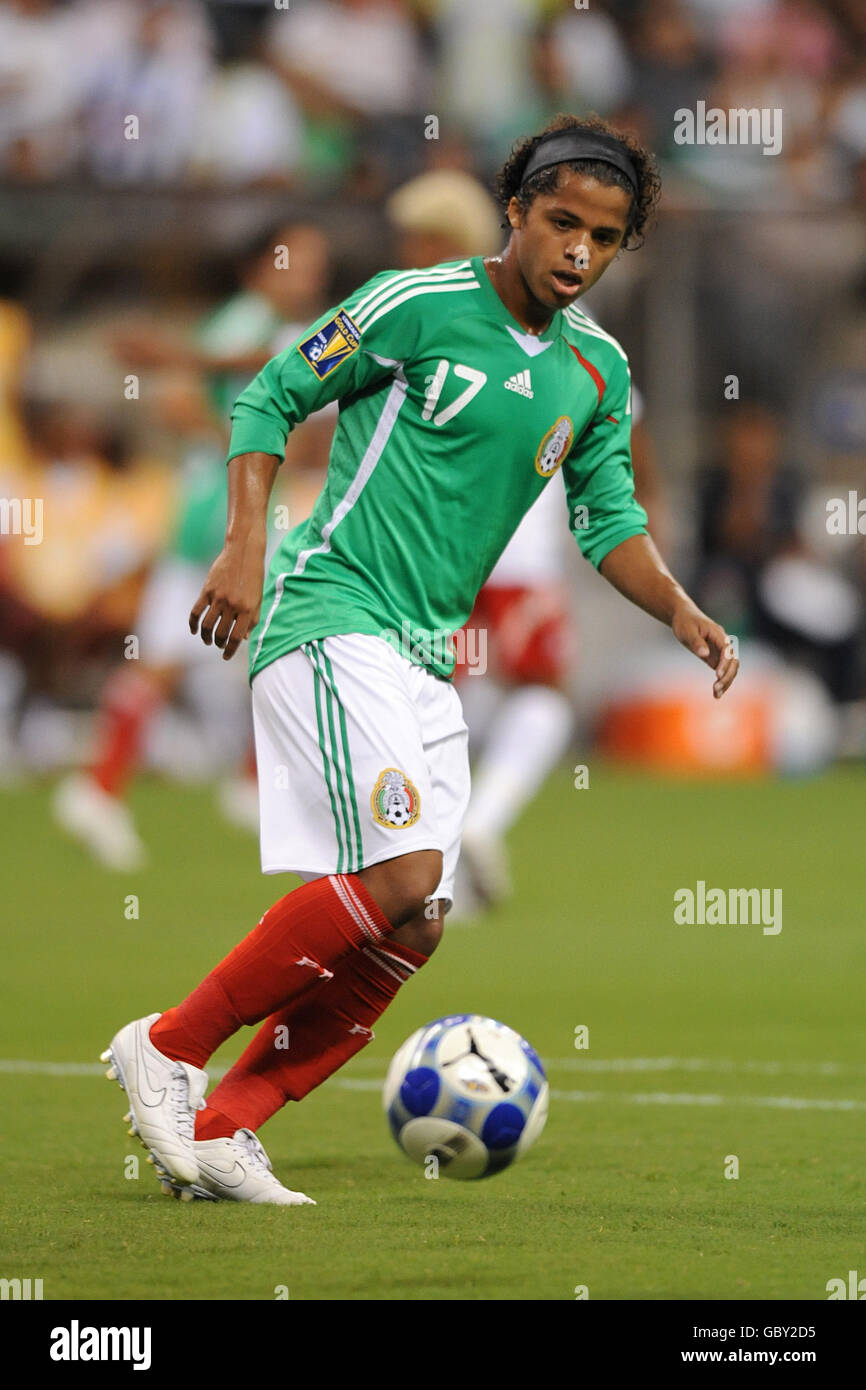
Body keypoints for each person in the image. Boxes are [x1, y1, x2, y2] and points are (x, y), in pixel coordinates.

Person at [101, 114, 739, 1206]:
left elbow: (605, 519)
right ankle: (167, 1043)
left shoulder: (593, 366)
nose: (578, 251)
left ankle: (224, 1125)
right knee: (398, 874)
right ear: (515, 211)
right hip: (329, 607)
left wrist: (680, 608)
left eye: (604, 236)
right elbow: (270, 394)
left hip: (420, 652)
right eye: (560, 223)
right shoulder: (418, 304)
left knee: (421, 916)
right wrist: (245, 545)